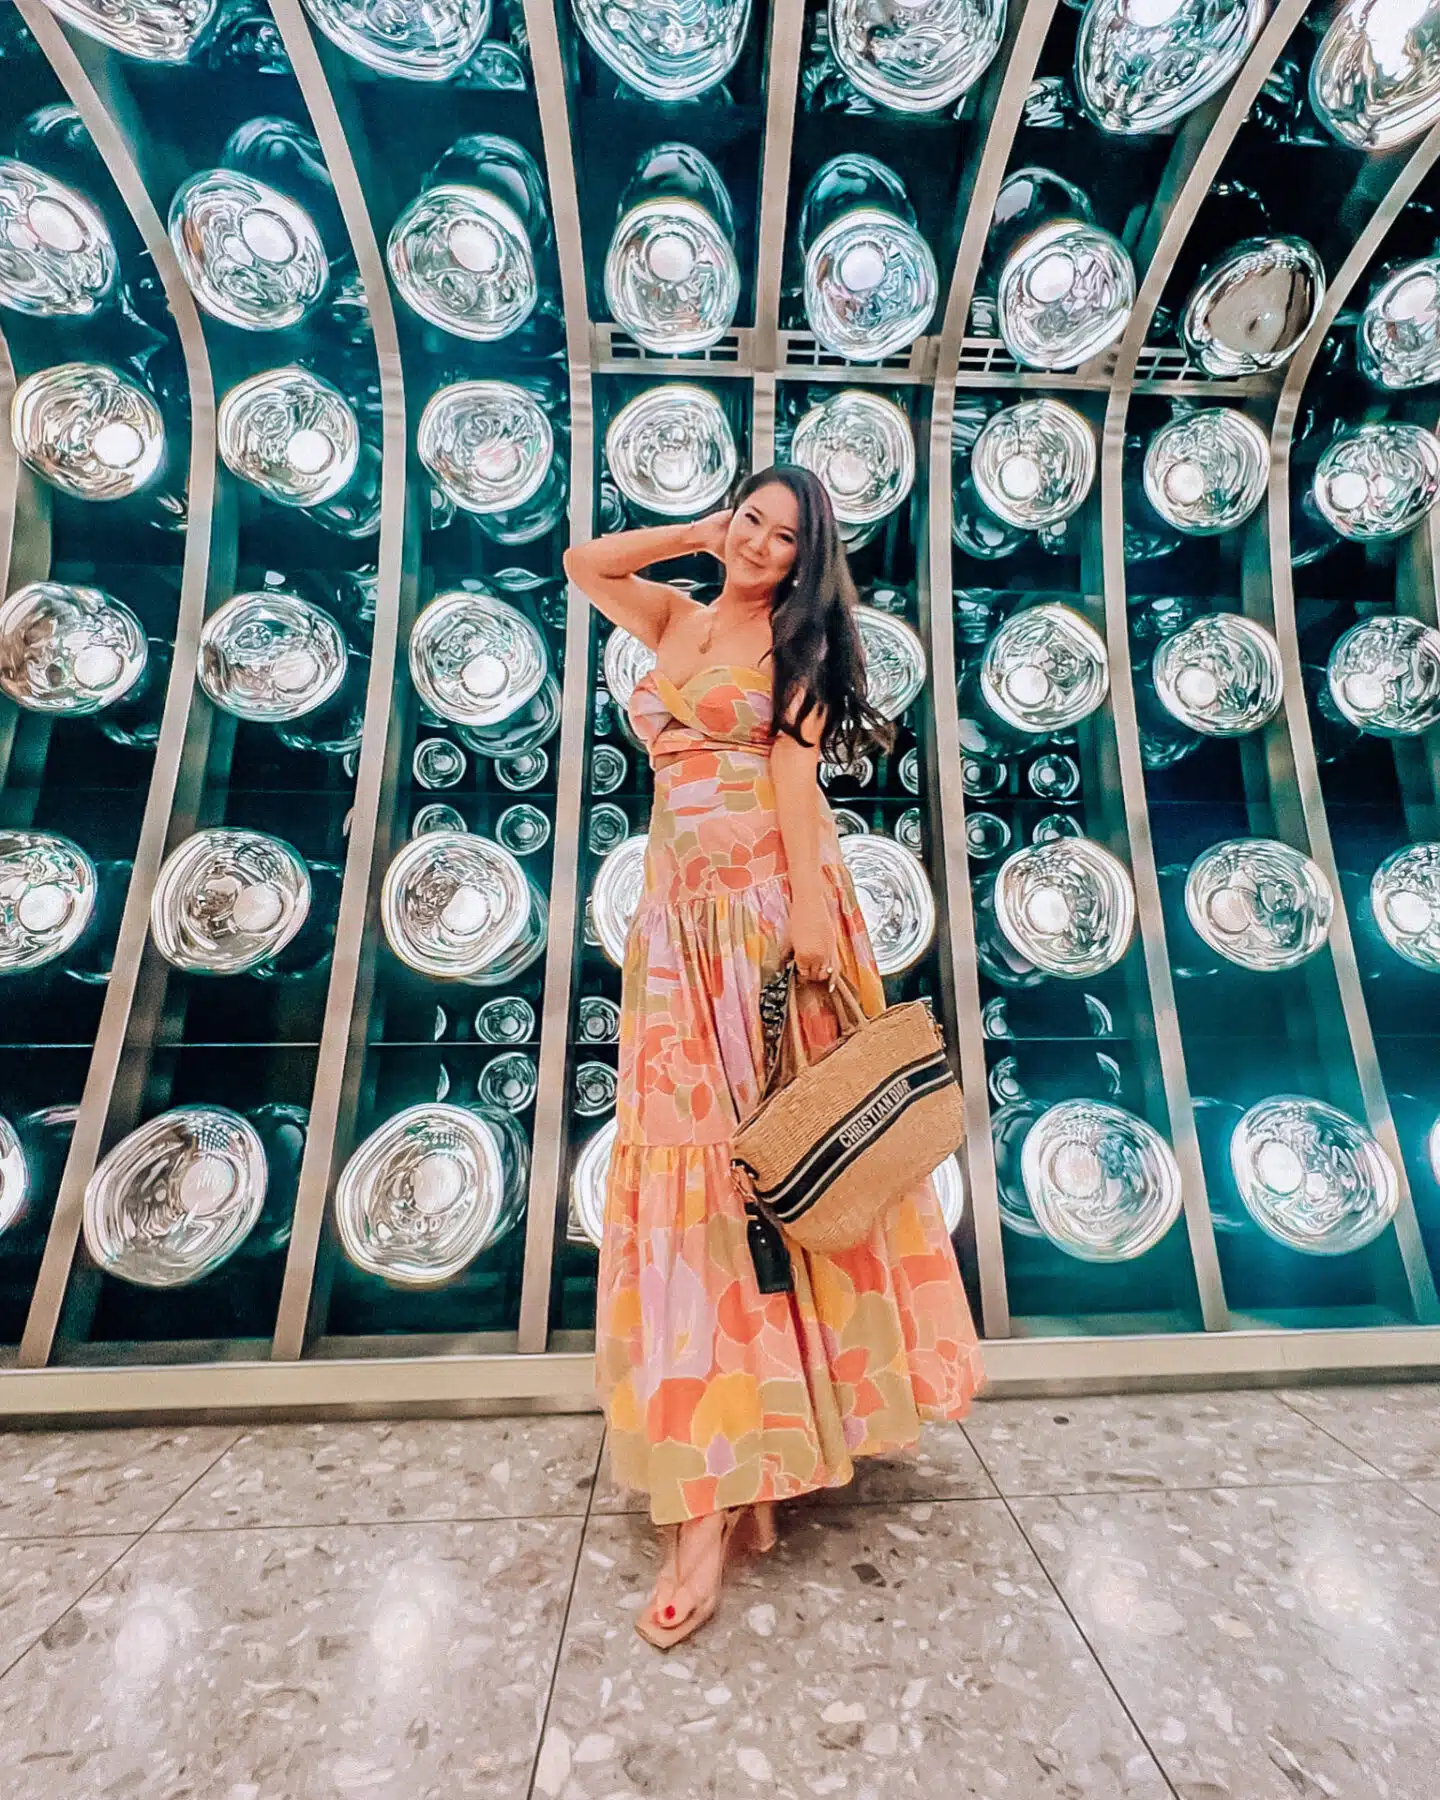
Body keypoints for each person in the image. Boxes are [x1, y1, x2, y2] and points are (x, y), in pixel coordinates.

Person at [563, 465, 984, 1652]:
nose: (759, 544)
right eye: (751, 519)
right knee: (691, 1181)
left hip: (759, 917)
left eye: (783, 535)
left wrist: (807, 918)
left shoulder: (800, 645)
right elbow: (586, 563)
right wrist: (698, 531)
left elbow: (794, 780)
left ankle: (740, 1473)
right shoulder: (676, 617)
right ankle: (726, 1455)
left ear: (809, 559)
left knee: (775, 1170)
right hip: (673, 929)